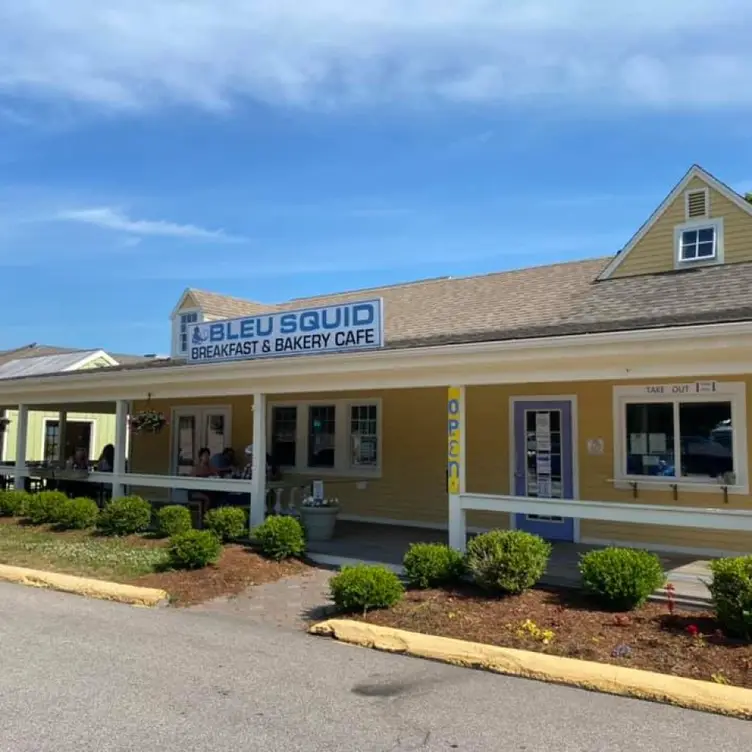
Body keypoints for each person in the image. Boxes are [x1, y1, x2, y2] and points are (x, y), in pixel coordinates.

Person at [191, 447, 219, 522]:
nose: (207, 457)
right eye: (205, 455)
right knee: (209, 497)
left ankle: (213, 516)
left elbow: (216, 474)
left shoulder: (209, 467)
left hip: (207, 489)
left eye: (208, 455)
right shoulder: (196, 468)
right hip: (196, 490)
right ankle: (205, 517)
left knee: (216, 495)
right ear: (200, 457)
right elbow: (193, 479)